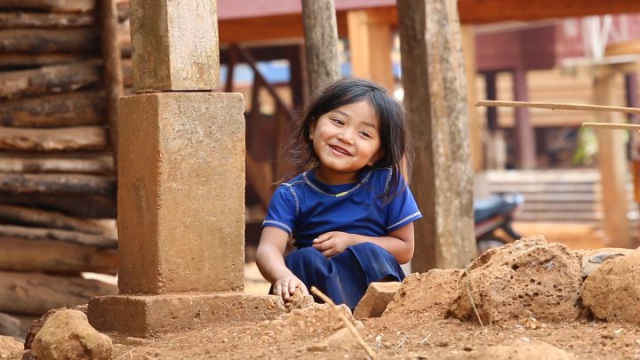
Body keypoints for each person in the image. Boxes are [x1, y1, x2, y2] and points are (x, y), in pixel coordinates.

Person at [255, 78, 422, 310]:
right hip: (316, 293)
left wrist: (351, 241)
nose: (346, 136)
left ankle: (373, 318)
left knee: (369, 252)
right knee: (301, 259)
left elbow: (405, 249)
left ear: (376, 154)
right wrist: (282, 275)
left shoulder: (387, 184)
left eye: (364, 134)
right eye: (338, 121)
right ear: (313, 128)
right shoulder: (291, 195)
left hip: (372, 293)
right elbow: (268, 248)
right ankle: (322, 319)